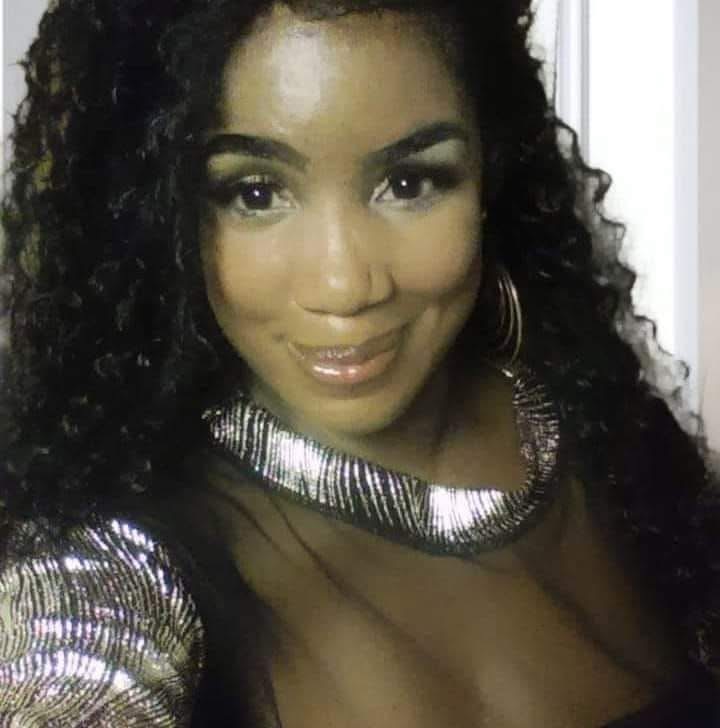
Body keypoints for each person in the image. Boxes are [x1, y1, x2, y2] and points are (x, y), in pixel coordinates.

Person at [1, 0, 718, 725]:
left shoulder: (604, 435)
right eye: (256, 194)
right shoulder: (115, 574)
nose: (345, 285)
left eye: (409, 183)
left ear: (489, 175)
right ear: (163, 211)